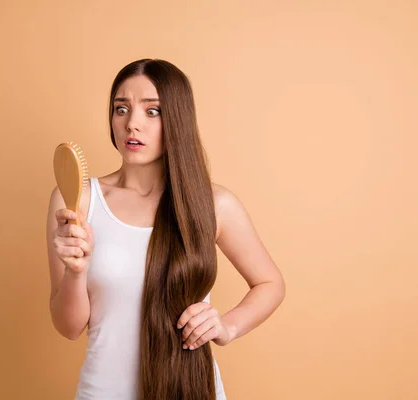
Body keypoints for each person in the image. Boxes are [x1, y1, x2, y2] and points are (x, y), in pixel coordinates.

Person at [46, 58, 286, 400]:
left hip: (192, 391)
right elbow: (69, 328)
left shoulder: (213, 204)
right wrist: (75, 271)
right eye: (121, 108)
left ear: (177, 119)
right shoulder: (77, 201)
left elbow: (270, 284)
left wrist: (227, 327)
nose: (132, 124)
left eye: (152, 111)